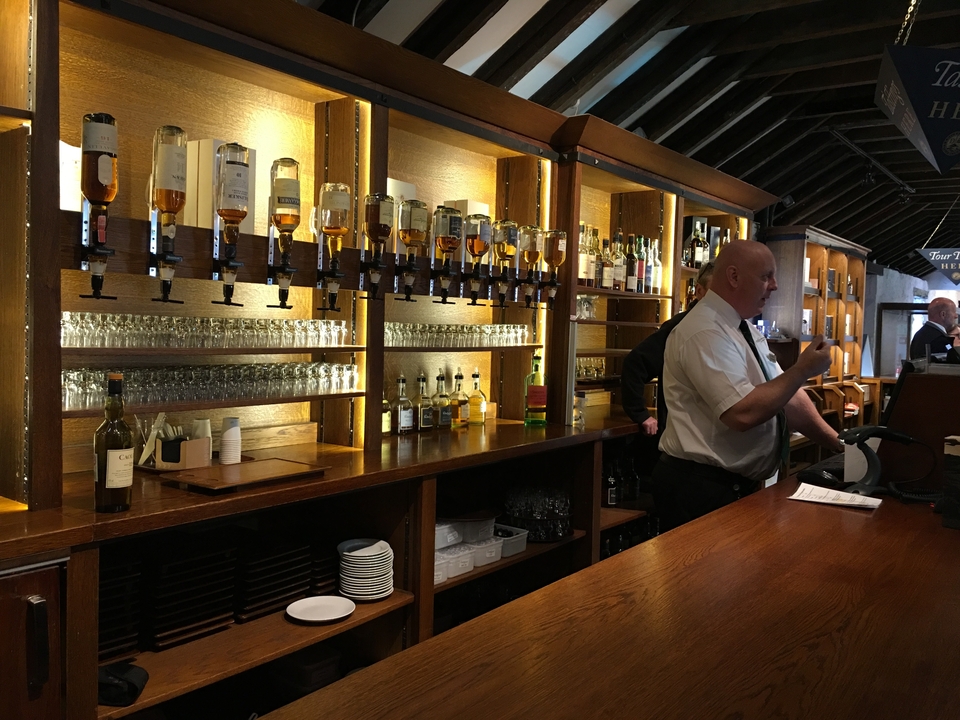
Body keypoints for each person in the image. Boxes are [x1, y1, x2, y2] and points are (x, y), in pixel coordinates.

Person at [651, 241, 844, 532]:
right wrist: (803, 369)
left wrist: (841, 445)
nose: (775, 286)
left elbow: (787, 398)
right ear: (734, 277)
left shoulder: (744, 329)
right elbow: (741, 414)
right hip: (702, 488)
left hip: (733, 486)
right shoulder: (705, 330)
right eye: (766, 276)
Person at [621, 262, 715, 436]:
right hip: (680, 441)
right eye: (714, 292)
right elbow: (635, 364)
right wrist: (641, 415)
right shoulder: (680, 326)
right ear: (699, 291)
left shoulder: (728, 328)